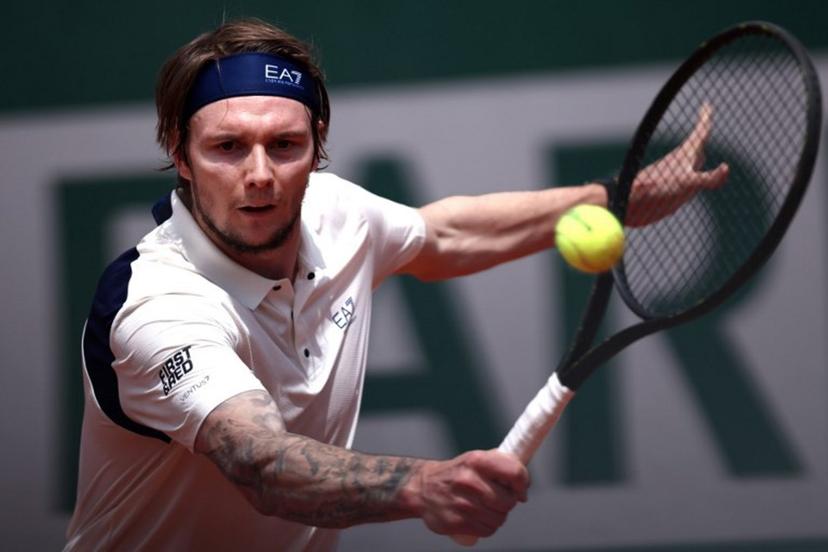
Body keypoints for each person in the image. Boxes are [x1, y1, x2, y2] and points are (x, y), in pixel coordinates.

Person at [65, 18, 728, 552]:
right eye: (228, 147)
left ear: (318, 144)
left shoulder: (334, 210)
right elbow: (260, 462)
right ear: (180, 155)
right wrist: (423, 484)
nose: (261, 174)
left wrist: (615, 198)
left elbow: (444, 236)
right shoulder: (159, 307)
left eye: (286, 145)